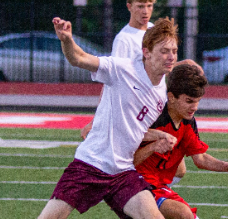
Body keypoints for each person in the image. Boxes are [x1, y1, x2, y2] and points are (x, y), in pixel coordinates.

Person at [38, 17, 180, 219]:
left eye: (174, 51)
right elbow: (79, 58)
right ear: (146, 52)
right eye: (164, 51)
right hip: (90, 164)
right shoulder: (123, 68)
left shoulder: (161, 92)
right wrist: (67, 40)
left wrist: (158, 136)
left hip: (122, 172)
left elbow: (134, 129)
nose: (170, 57)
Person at [80, 0, 188, 187]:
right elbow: (112, 79)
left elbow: (161, 67)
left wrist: (184, 65)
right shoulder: (124, 40)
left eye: (149, 6)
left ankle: (145, 196)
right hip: (137, 110)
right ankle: (141, 196)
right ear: (129, 6)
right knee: (159, 164)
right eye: (140, 6)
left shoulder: (153, 30)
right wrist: (97, 119)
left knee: (177, 167)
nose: (145, 11)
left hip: (156, 105)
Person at [134, 64, 228, 219]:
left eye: (197, 101)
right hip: (135, 184)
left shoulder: (187, 121)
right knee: (183, 213)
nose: (194, 107)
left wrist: (225, 166)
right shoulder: (153, 116)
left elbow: (201, 158)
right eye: (189, 101)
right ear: (171, 97)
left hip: (158, 185)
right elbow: (127, 159)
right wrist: (154, 144)